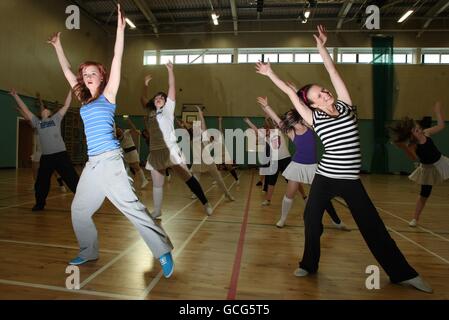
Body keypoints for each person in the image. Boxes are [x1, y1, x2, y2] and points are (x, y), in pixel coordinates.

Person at [255, 24, 432, 293]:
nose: (325, 93)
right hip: (325, 176)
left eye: (324, 90)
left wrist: (322, 48)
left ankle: (402, 273)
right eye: (318, 95)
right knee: (311, 220)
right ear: (312, 105)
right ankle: (309, 264)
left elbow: (333, 71)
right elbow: (292, 94)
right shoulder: (314, 118)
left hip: (350, 180)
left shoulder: (345, 105)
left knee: (373, 227)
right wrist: (270, 74)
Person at [47, 4, 174, 278]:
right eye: (86, 74)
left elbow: (117, 58)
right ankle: (88, 250)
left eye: (93, 73)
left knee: (133, 210)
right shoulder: (83, 99)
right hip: (92, 166)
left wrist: (119, 29)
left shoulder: (109, 95)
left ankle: (162, 250)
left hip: (112, 163)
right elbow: (68, 70)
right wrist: (57, 45)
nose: (88, 76)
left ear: (101, 77)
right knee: (79, 210)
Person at [256, 96, 348, 230]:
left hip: (313, 167)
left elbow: (304, 107)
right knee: (289, 194)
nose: (287, 120)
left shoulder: (310, 126)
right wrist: (266, 106)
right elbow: (276, 118)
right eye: (287, 118)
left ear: (296, 117)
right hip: (297, 165)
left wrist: (296, 94)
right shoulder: (291, 132)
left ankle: (337, 221)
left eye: (289, 116)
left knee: (323, 196)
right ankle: (282, 218)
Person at [141, 69, 213, 219]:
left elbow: (172, 86)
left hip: (171, 149)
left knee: (187, 177)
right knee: (157, 184)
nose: (159, 98)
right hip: (155, 152)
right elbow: (143, 98)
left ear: (166, 102)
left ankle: (206, 203)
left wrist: (170, 70)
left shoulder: (168, 110)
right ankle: (157, 210)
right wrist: (145, 84)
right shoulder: (151, 113)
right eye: (157, 97)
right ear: (154, 102)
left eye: (162, 97)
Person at [10, 89, 79, 211]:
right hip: (47, 157)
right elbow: (25, 109)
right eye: (42, 109)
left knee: (72, 179)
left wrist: (70, 91)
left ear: (50, 112)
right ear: (41, 113)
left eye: (46, 109)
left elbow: (67, 105)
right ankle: (40, 204)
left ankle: (83, 201)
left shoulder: (56, 119)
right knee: (41, 182)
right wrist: (16, 96)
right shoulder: (37, 122)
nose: (44, 109)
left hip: (60, 155)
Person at [389, 101, 448, 227]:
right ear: (411, 135)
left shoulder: (426, 133)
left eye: (418, 128)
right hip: (427, 169)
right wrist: (404, 148)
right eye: (416, 130)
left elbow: (441, 126)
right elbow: (413, 158)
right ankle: (415, 219)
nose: (419, 130)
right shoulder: (413, 145)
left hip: (441, 162)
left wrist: (437, 111)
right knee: (424, 195)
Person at [243, 117, 297, 206]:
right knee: (271, 181)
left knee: (292, 179)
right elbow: (256, 130)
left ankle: (304, 196)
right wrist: (248, 121)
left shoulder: (279, 130)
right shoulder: (265, 135)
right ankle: (268, 200)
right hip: (274, 161)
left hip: (285, 158)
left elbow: (275, 122)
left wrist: (269, 115)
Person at [190, 106, 235, 201]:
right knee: (196, 179)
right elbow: (196, 125)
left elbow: (203, 124)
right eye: (195, 128)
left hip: (208, 160)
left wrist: (200, 113)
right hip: (198, 161)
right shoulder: (193, 140)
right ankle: (195, 193)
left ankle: (227, 194)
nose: (197, 128)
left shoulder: (205, 138)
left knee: (218, 178)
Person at [115, 117, 149, 189]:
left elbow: (134, 130)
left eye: (119, 129)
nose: (119, 130)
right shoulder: (117, 138)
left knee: (136, 166)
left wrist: (129, 121)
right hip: (126, 153)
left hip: (132, 151)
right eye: (117, 130)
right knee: (130, 167)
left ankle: (144, 180)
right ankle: (129, 182)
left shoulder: (126, 132)